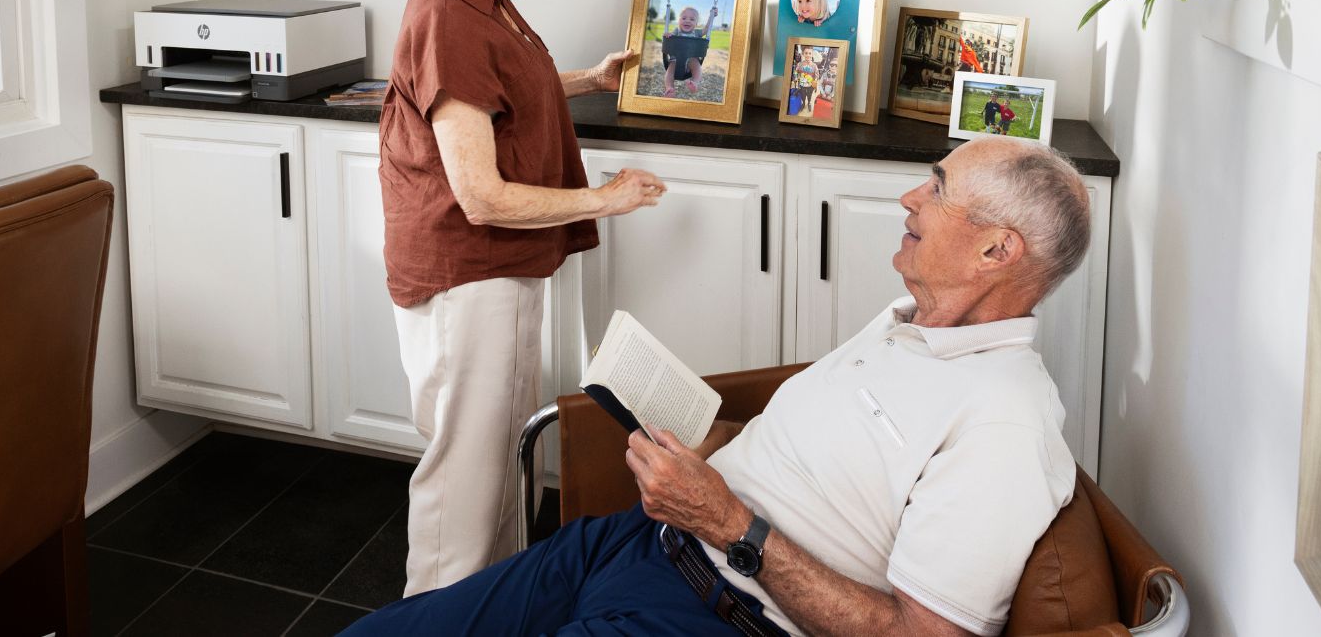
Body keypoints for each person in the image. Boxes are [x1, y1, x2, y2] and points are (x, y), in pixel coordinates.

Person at [345, 137, 1092, 637]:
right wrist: (699, 439)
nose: (908, 199)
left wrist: (729, 523)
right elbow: (799, 465)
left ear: (998, 250)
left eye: (936, 188)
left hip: (714, 611)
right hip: (635, 539)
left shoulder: (1004, 423)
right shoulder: (903, 322)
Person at [380, 0, 668, 597]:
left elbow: (501, 91)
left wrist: (587, 80)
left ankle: (489, 608)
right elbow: (482, 195)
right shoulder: (451, 16)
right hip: (468, 269)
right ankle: (437, 617)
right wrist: (609, 199)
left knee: (492, 461)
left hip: (495, 266)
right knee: (464, 483)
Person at [660, 2, 717, 98]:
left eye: (692, 19)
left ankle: (694, 83)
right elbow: (670, 37)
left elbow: (706, 29)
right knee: (669, 72)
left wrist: (712, 17)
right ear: (679, 21)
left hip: (691, 60)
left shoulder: (697, 33)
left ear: (696, 23)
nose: (687, 21)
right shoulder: (676, 31)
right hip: (675, 60)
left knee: (697, 67)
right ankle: (669, 88)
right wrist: (668, 35)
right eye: (684, 18)